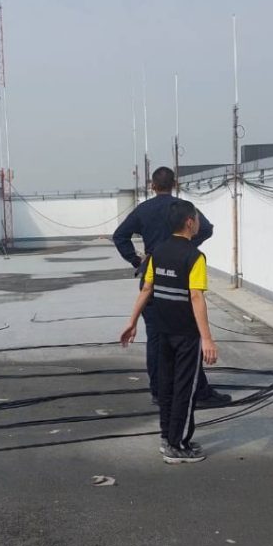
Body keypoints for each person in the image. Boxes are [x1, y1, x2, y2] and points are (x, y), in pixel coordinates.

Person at [112, 166, 230, 409]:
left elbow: (119, 235)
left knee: (157, 339)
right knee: (188, 336)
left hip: (154, 275)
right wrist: (185, 246)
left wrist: (136, 260)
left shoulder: (144, 209)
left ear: (152, 186)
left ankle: (160, 391)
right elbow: (207, 228)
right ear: (174, 184)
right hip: (180, 277)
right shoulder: (183, 209)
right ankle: (198, 391)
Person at [120, 200, 218, 464]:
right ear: (190, 222)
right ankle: (177, 446)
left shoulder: (157, 252)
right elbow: (196, 297)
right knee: (185, 388)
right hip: (186, 335)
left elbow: (146, 289)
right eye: (197, 218)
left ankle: (169, 437)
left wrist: (132, 321)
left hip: (163, 331)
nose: (199, 223)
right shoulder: (195, 257)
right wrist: (207, 339)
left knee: (167, 386)